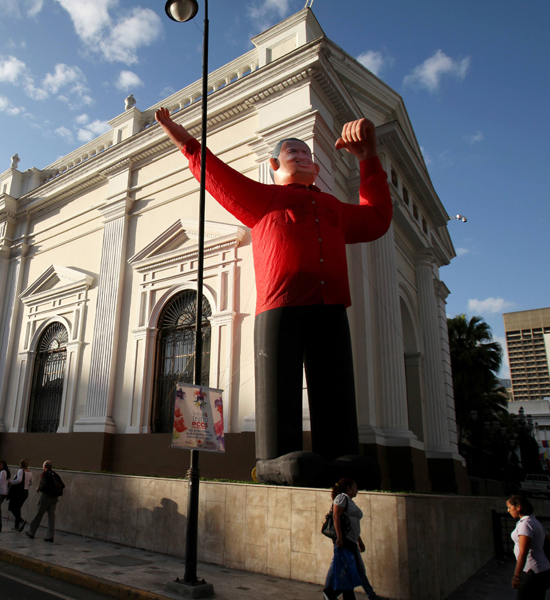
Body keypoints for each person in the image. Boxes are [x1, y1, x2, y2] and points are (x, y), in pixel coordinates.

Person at [154, 108, 392, 487]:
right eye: (290, 153)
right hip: (280, 307)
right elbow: (214, 174)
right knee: (278, 387)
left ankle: (340, 456)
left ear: (316, 170)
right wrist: (183, 140)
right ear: (272, 165)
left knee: (336, 388)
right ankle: (273, 459)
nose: (300, 156)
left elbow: (378, 218)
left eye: (305, 154)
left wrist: (368, 159)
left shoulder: (333, 208)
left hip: (332, 308)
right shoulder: (262, 199)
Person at [324, 478, 381, 600]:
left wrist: (359, 540)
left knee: (349, 569)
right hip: (345, 540)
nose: (357, 490)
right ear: (348, 488)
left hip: (351, 540)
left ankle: (332, 594)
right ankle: (329, 592)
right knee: (347, 568)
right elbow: (336, 516)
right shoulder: (341, 498)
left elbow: (351, 523)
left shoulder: (349, 501)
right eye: (355, 487)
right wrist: (339, 537)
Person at [507, 495, 550, 599]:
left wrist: (516, 576)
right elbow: (549, 541)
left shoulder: (526, 524)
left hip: (533, 572)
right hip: (543, 570)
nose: (508, 510)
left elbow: (523, 553)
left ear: (518, 507)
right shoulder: (533, 521)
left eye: (510, 507)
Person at [26, 460, 63, 543]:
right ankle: (50, 536)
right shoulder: (55, 474)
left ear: (45, 466)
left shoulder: (44, 474)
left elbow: (43, 484)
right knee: (51, 518)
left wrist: (39, 489)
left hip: (46, 497)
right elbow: (62, 485)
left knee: (38, 514)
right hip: (55, 498)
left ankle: (31, 532)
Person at [8, 458, 33, 532]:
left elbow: (19, 480)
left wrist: (11, 482)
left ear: (21, 465)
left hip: (19, 492)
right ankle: (16, 525)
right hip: (25, 492)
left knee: (12, 507)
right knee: (18, 508)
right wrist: (25, 484)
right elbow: (31, 483)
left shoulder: (20, 471)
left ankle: (21, 520)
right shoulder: (30, 472)